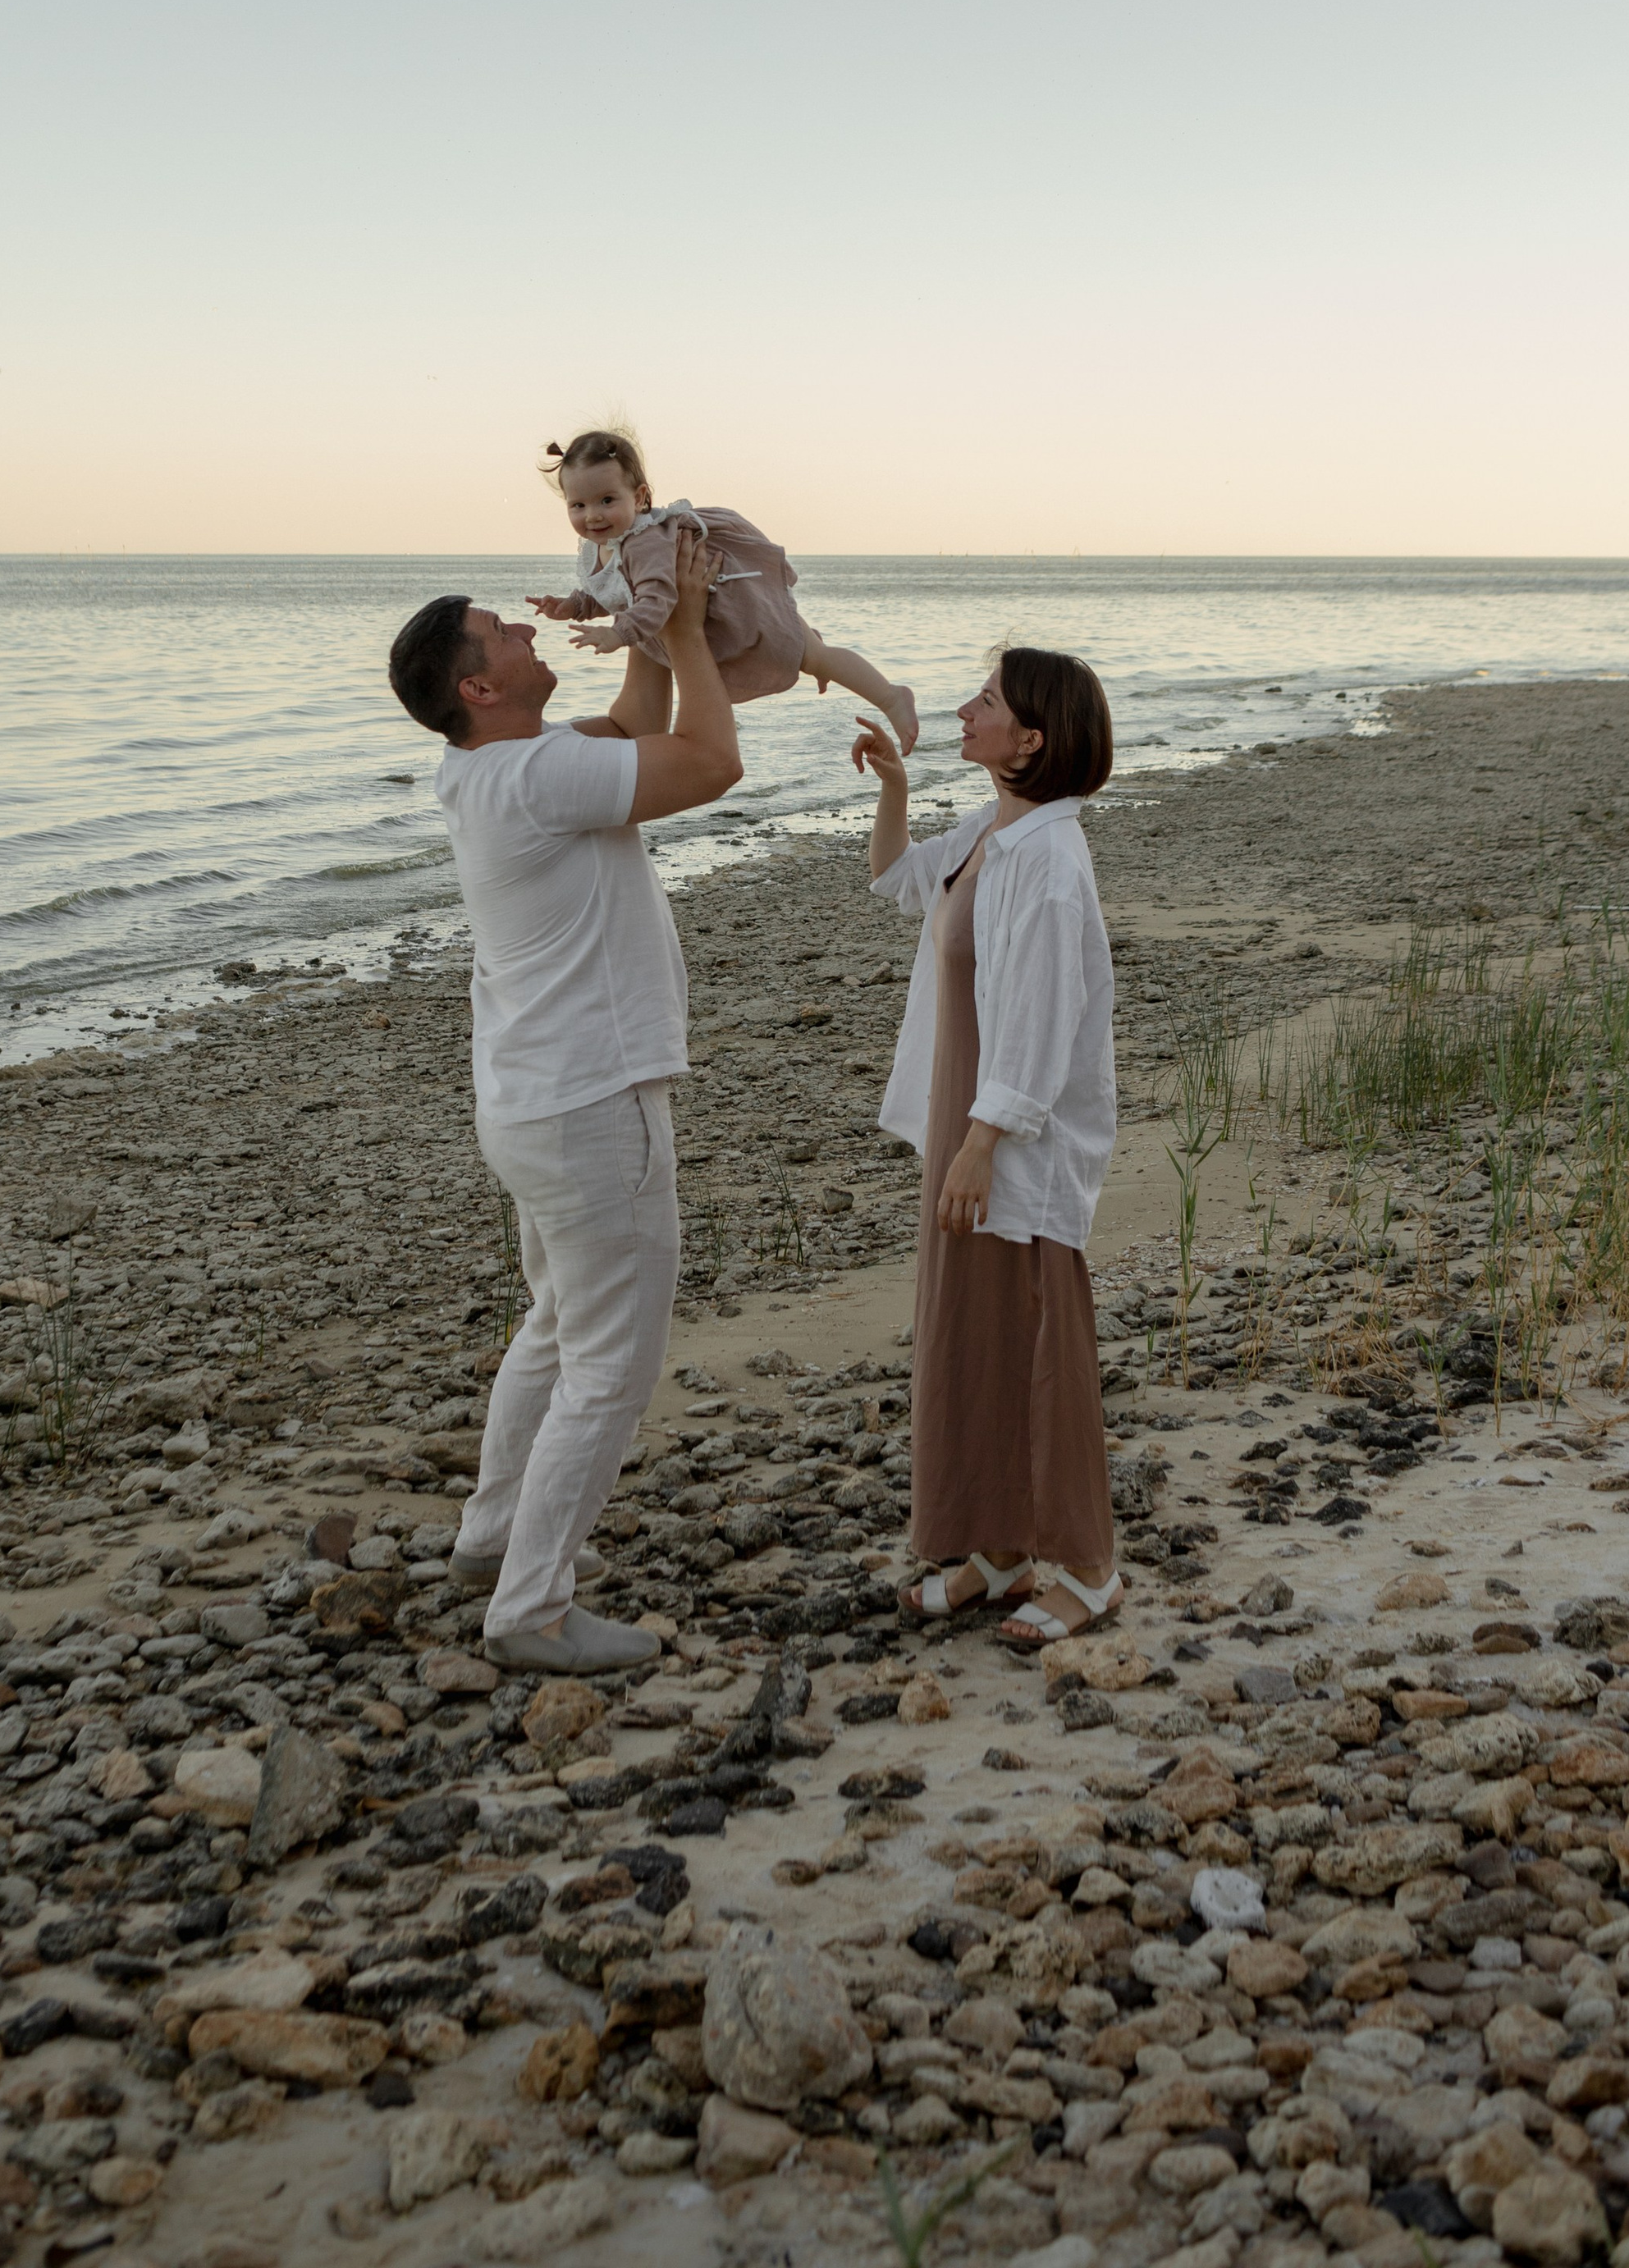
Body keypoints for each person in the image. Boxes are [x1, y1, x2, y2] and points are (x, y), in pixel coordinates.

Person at [386, 537, 742, 1674]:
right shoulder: (537, 778)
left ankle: (493, 1540)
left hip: (530, 1104)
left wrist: (641, 620)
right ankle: (531, 1608)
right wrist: (687, 631)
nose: (529, 629)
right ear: (479, 688)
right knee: (611, 1361)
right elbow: (706, 762)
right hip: (593, 1103)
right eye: (505, 633)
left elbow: (637, 727)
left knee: (555, 1326)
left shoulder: (491, 767)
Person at [853, 649, 1125, 1648]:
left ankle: (1089, 1567)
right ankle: (1002, 1547)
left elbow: (1046, 1025)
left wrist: (979, 1145)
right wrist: (894, 788)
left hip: (1011, 1132)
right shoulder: (995, 831)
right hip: (963, 1117)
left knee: (1040, 1335)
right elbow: (896, 880)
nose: (964, 711)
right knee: (970, 1332)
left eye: (986, 701)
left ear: (1032, 739)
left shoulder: (1051, 863)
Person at [525, 424, 922, 755]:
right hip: (724, 614)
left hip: (732, 608)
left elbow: (655, 598)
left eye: (607, 500)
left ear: (641, 498)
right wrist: (572, 605)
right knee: (810, 654)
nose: (592, 515)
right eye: (578, 505)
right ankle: (806, 642)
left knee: (815, 657)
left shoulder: (643, 542)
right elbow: (612, 591)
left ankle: (891, 697)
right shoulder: (603, 543)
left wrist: (618, 633)